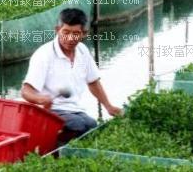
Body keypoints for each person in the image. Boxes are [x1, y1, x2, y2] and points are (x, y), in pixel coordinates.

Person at [21, 8, 122, 139]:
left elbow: (93, 82)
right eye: (65, 32)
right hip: (51, 112)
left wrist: (108, 106)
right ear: (57, 30)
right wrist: (42, 99)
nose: (70, 38)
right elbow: (25, 91)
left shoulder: (83, 50)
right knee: (77, 125)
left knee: (92, 125)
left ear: (84, 33)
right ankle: (57, 153)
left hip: (75, 110)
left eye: (75, 33)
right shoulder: (43, 55)